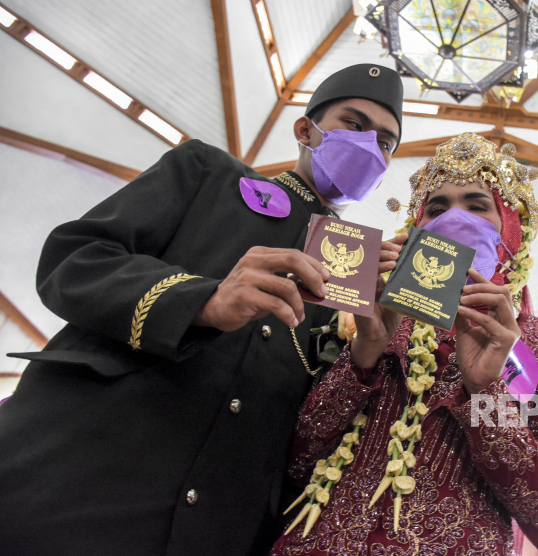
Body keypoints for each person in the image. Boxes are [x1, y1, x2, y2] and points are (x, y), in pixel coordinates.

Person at [0, 64, 404, 556]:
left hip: (215, 526)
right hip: (75, 472)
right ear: (305, 130)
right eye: (355, 125)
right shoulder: (208, 173)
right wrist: (202, 301)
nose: (369, 147)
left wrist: (367, 350)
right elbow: (73, 260)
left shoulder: (357, 282)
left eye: (385, 142)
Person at [272, 133, 538, 556]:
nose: (453, 219)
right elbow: (295, 462)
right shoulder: (369, 319)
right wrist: (362, 356)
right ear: (416, 225)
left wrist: (485, 394)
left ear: (512, 230)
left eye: (476, 206)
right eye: (436, 208)